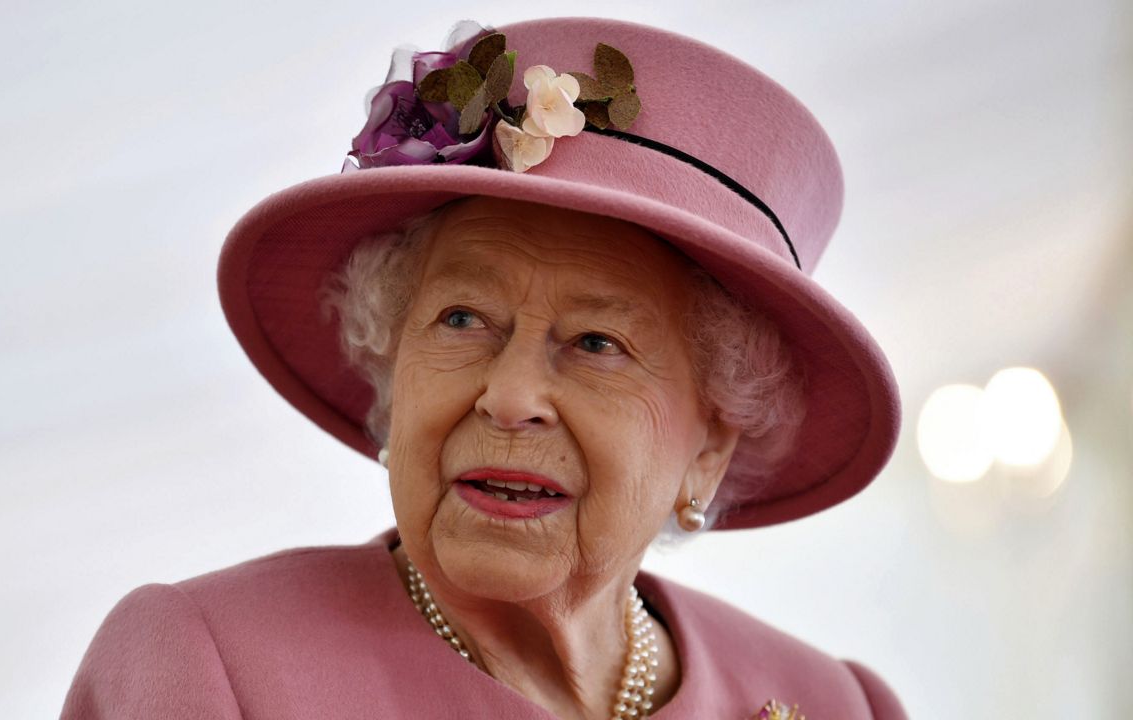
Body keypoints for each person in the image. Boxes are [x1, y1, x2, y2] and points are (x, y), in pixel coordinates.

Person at [61, 16, 906, 720]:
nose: (508, 397)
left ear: (712, 444)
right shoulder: (211, 669)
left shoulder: (830, 704)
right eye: (462, 320)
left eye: (596, 344)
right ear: (394, 376)